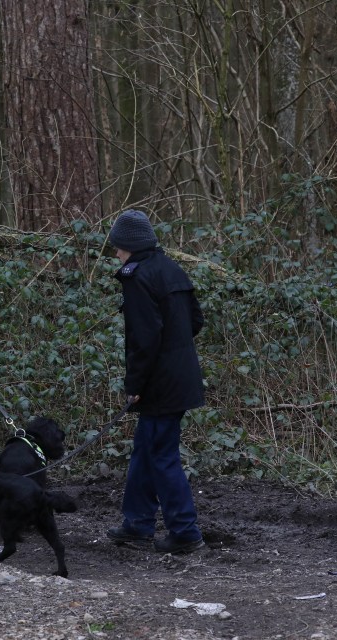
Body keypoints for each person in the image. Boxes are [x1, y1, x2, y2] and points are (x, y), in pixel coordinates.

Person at [104, 209, 206, 554]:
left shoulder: (138, 277)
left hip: (160, 384)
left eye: (117, 246)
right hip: (181, 377)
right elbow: (195, 321)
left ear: (128, 244)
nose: (115, 253)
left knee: (161, 455)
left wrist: (134, 385)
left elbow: (143, 340)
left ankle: (185, 532)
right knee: (146, 451)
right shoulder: (171, 268)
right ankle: (137, 523)